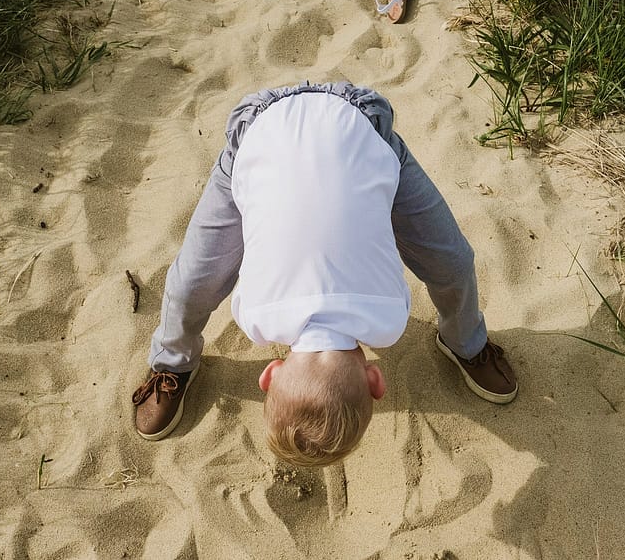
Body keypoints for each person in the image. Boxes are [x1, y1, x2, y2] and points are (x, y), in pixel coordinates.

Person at [132, 80, 518, 467]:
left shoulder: (389, 321)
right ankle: (172, 363)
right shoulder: (255, 319)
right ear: (269, 374)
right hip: (303, 133)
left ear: (375, 381)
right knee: (452, 264)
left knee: (189, 287)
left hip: (327, 132)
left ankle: (465, 342)